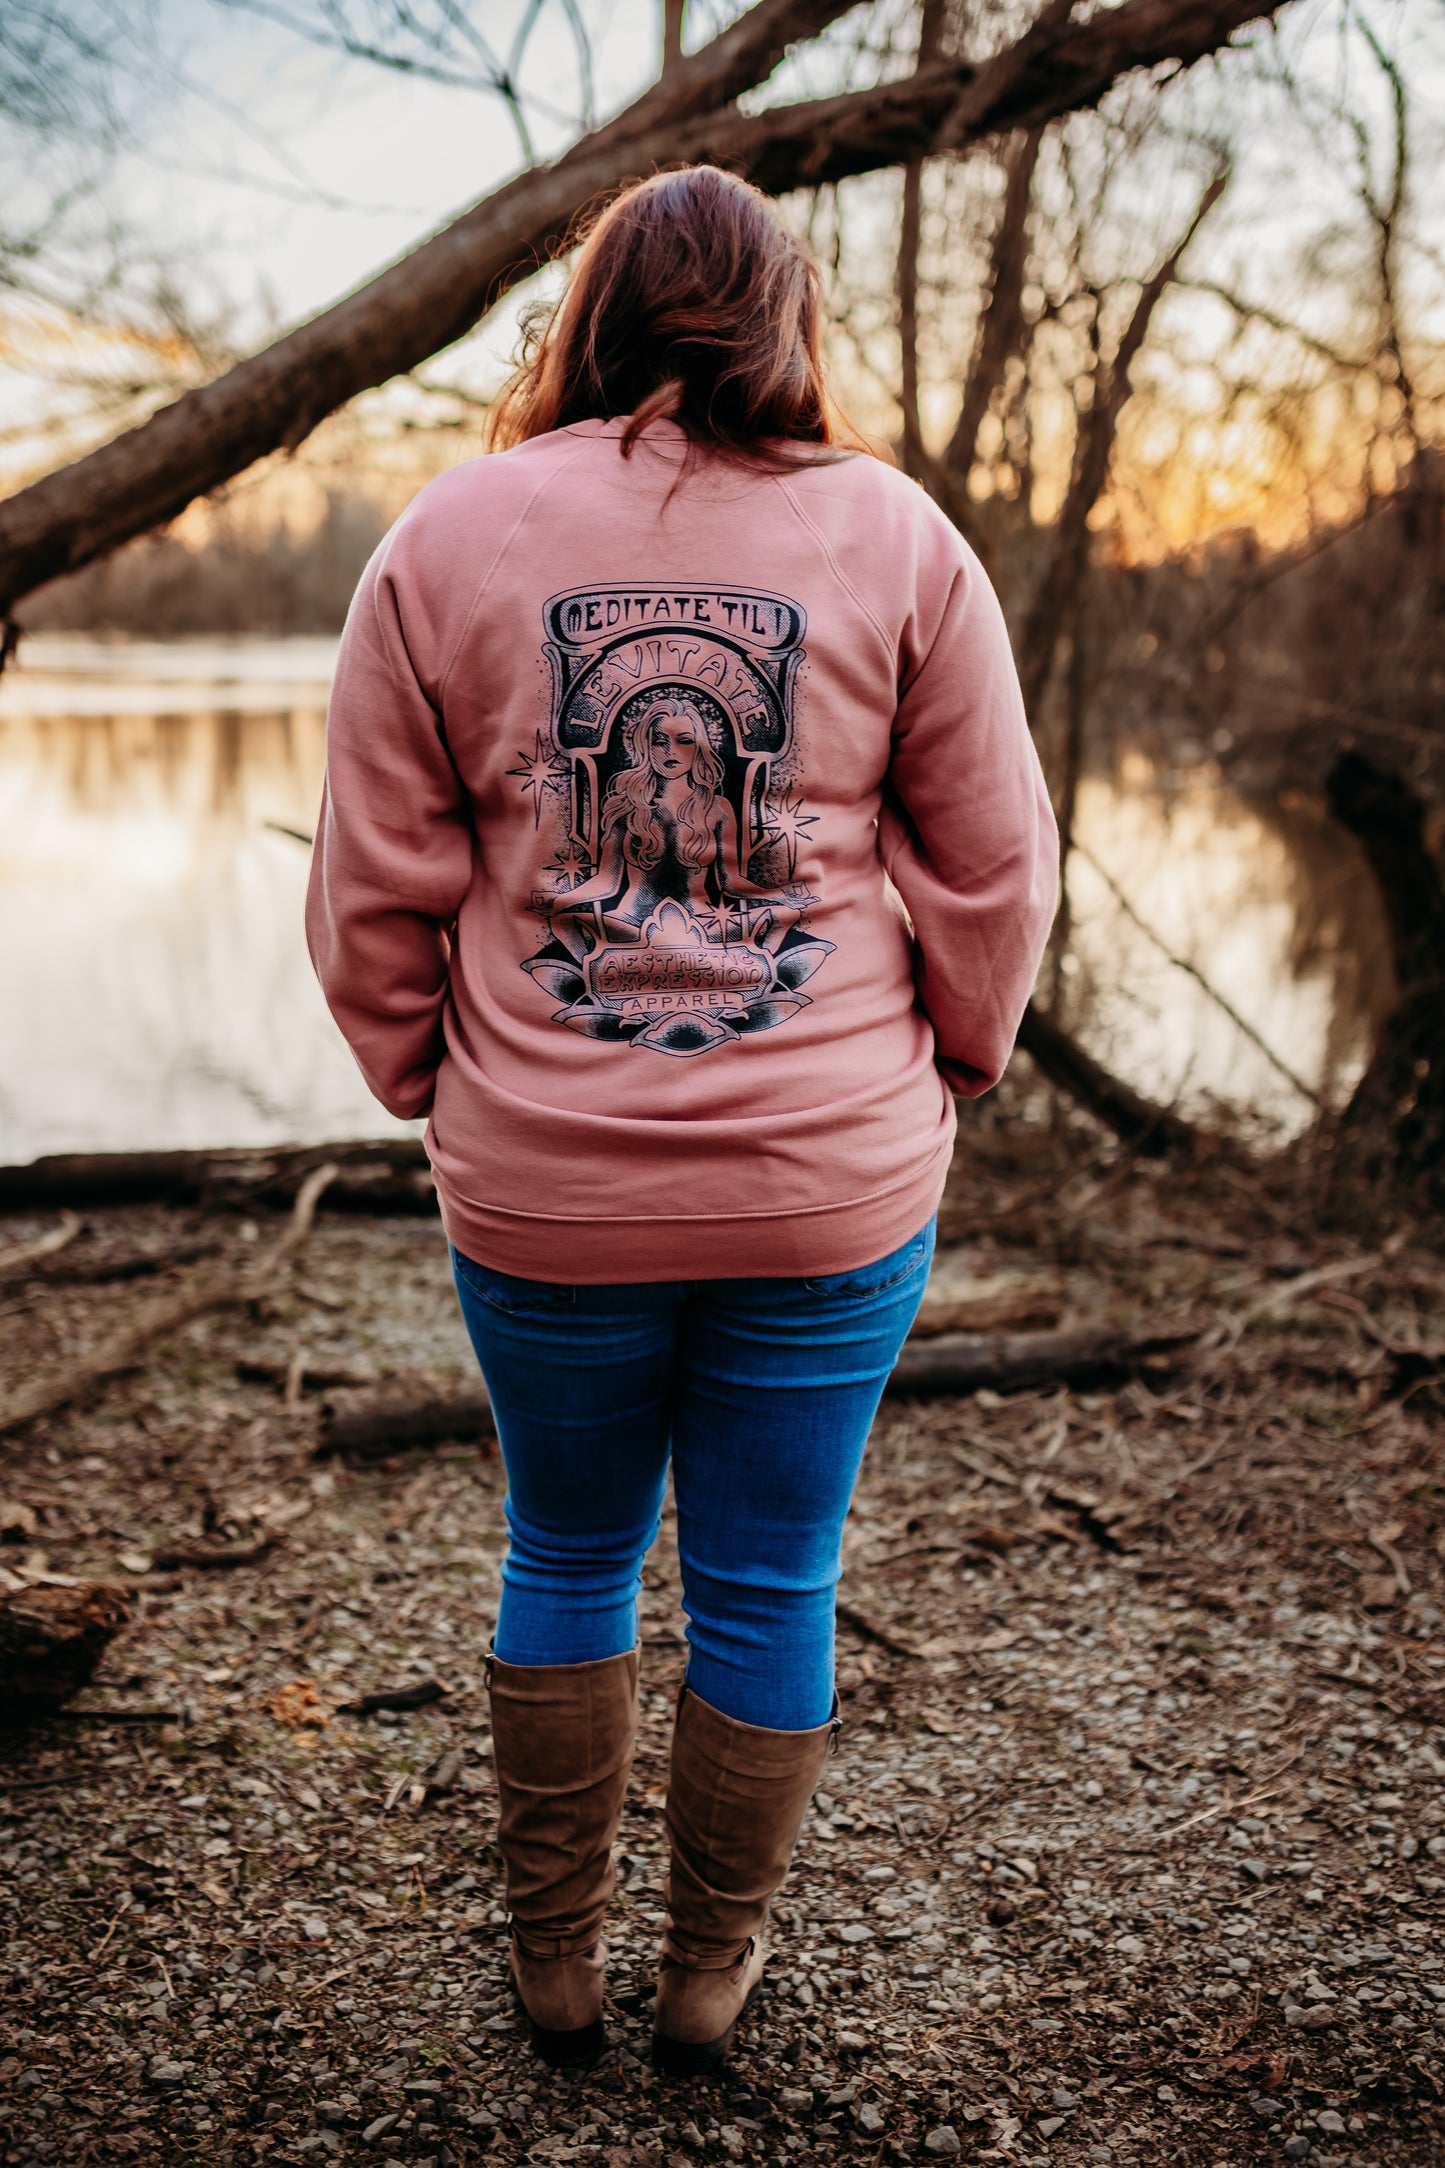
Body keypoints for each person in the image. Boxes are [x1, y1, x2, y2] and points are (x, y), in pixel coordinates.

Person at [307, 163, 1057, 2076]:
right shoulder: (897, 538)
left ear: (591, 318)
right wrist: (950, 1065)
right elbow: (995, 873)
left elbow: (371, 885)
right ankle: (707, 1975)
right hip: (831, 1181)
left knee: (565, 1553)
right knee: (771, 1575)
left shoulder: (447, 535)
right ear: (783, 324)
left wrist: (437, 1087)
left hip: (544, 1180)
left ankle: (555, 1964)